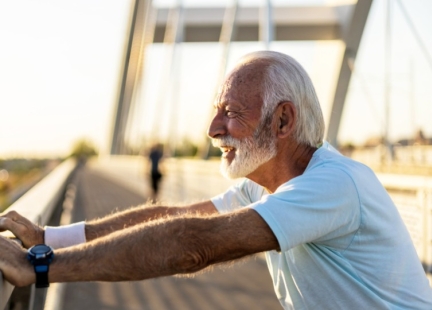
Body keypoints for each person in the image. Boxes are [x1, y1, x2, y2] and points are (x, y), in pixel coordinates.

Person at [1, 51, 431, 309]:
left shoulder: (333, 185)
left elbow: (194, 244)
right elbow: (179, 216)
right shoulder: (267, 180)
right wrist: (48, 237)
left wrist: (40, 267)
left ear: (283, 120)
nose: (211, 128)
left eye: (231, 112)